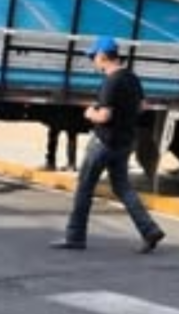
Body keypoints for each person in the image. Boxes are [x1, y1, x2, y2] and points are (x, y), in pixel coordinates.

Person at [51, 36, 165, 254]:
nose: (93, 61)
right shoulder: (132, 78)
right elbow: (142, 106)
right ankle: (149, 229)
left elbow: (104, 115)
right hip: (125, 141)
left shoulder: (110, 82)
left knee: (84, 188)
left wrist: (89, 113)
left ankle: (75, 237)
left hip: (104, 142)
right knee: (123, 188)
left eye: (94, 57)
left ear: (103, 56)